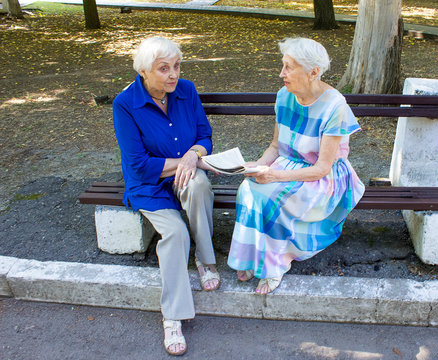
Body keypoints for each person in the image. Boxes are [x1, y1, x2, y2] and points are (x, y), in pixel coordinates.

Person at [227, 37, 365, 295]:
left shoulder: (335, 106)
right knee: (248, 188)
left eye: (289, 67)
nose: (281, 74)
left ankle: (274, 265)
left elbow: (323, 168)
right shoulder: (284, 96)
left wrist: (275, 175)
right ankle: (251, 258)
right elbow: (275, 146)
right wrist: (256, 165)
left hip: (322, 176)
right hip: (287, 165)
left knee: (270, 197)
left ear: (313, 72)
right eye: (283, 65)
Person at [113, 37, 220, 356]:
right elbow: (139, 165)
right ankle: (172, 317)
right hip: (149, 184)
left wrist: (193, 156)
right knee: (174, 232)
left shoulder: (186, 90)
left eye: (176, 66)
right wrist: (188, 160)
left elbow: (205, 136)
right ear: (144, 71)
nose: (173, 74)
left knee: (198, 183)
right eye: (164, 69)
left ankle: (205, 260)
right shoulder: (125, 104)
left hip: (185, 174)